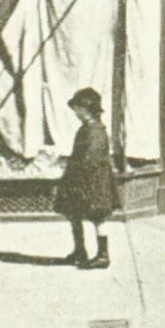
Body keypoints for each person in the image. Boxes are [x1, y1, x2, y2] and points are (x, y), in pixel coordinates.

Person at [53, 87, 122, 270]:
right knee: (73, 213)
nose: (75, 112)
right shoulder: (88, 128)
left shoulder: (95, 131)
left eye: (77, 109)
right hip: (82, 179)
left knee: (97, 216)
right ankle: (79, 250)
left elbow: (90, 159)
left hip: (91, 181)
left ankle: (103, 255)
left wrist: (77, 172)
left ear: (85, 109)